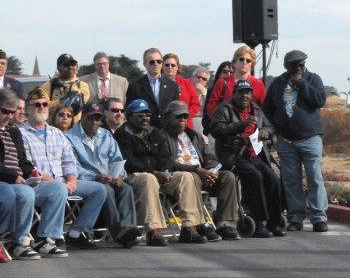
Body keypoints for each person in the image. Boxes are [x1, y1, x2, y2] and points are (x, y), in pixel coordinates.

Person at [114, 99, 213, 245]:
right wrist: (154, 172)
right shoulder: (121, 135)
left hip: (160, 174)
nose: (145, 118)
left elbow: (166, 157)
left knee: (186, 176)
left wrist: (166, 172)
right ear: (129, 116)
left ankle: (190, 227)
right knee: (148, 178)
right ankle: (154, 231)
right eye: (139, 115)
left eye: (147, 115)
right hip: (134, 176)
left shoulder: (155, 133)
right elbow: (129, 162)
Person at [21, 88, 108, 250]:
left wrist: (72, 181)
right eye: (36, 104)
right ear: (26, 109)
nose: (41, 107)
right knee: (58, 189)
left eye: (44, 104)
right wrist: (59, 184)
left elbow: (69, 162)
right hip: (37, 184)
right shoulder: (21, 134)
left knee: (100, 190)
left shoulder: (57, 134)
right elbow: (29, 168)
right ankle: (46, 237)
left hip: (64, 182)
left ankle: (76, 233)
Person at [263, 50, 329, 232]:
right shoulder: (278, 83)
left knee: (315, 177)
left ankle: (319, 218)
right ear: (286, 66)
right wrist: (277, 125)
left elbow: (320, 100)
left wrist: (301, 83)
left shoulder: (313, 79)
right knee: (291, 180)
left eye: (302, 63)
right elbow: (267, 108)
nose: (300, 67)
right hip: (287, 140)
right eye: (295, 64)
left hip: (311, 137)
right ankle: (296, 217)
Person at [211, 80, 284, 238]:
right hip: (234, 155)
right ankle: (258, 223)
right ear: (234, 94)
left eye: (248, 92)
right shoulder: (224, 109)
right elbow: (216, 129)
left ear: (252, 94)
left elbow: (270, 126)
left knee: (274, 180)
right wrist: (240, 126)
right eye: (241, 92)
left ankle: (274, 223)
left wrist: (265, 130)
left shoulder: (256, 109)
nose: (245, 96)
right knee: (254, 176)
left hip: (255, 154)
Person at [0, 89, 68, 259]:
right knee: (25, 192)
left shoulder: (14, 131)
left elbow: (23, 160)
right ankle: (18, 242)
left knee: (57, 189)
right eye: (5, 111)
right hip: (6, 181)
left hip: (20, 181)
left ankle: (45, 238)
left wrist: (32, 172)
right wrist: (13, 176)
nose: (8, 116)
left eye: (12, 112)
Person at [66, 102, 141, 248]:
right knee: (105, 189)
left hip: (109, 177)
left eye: (98, 119)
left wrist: (120, 175)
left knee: (126, 188)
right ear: (82, 117)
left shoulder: (106, 135)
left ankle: (127, 228)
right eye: (91, 118)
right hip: (88, 180)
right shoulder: (70, 137)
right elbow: (73, 167)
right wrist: (95, 176)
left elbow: (118, 160)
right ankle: (118, 232)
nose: (95, 122)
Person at [163, 100, 240, 240]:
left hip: (202, 173)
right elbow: (167, 163)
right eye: (178, 116)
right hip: (180, 178)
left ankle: (223, 223)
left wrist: (211, 169)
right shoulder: (162, 136)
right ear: (167, 117)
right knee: (192, 177)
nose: (182, 119)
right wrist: (197, 170)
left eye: (185, 116)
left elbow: (209, 155)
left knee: (228, 176)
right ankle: (199, 223)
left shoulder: (194, 135)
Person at [204, 46, 266, 124]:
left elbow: (265, 108)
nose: (245, 62)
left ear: (252, 65)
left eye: (248, 60)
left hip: (250, 129)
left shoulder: (258, 84)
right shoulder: (222, 82)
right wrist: (219, 124)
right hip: (226, 129)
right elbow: (211, 107)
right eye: (241, 59)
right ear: (234, 62)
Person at [126, 48, 179, 128]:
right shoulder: (135, 86)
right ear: (145, 64)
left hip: (166, 132)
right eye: (152, 62)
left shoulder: (172, 86)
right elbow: (130, 112)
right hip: (144, 131)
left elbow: (175, 111)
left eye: (159, 61)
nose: (156, 64)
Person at [40, 54, 90, 123]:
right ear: (58, 68)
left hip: (74, 130)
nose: (70, 67)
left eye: (73, 64)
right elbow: (43, 107)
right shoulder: (48, 86)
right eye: (66, 65)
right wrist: (60, 101)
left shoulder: (82, 85)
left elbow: (77, 99)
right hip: (53, 129)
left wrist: (64, 85)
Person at [161, 53, 200, 130]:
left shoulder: (187, 83)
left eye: (173, 65)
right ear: (162, 66)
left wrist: (184, 116)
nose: (170, 67)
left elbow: (196, 104)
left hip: (184, 126)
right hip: (163, 127)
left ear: (177, 67)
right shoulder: (156, 84)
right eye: (167, 65)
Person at [190, 66, 211, 140]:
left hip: (202, 126)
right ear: (192, 78)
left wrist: (203, 93)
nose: (200, 80)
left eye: (204, 79)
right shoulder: (186, 90)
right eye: (198, 77)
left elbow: (209, 109)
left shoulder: (209, 93)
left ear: (206, 82)